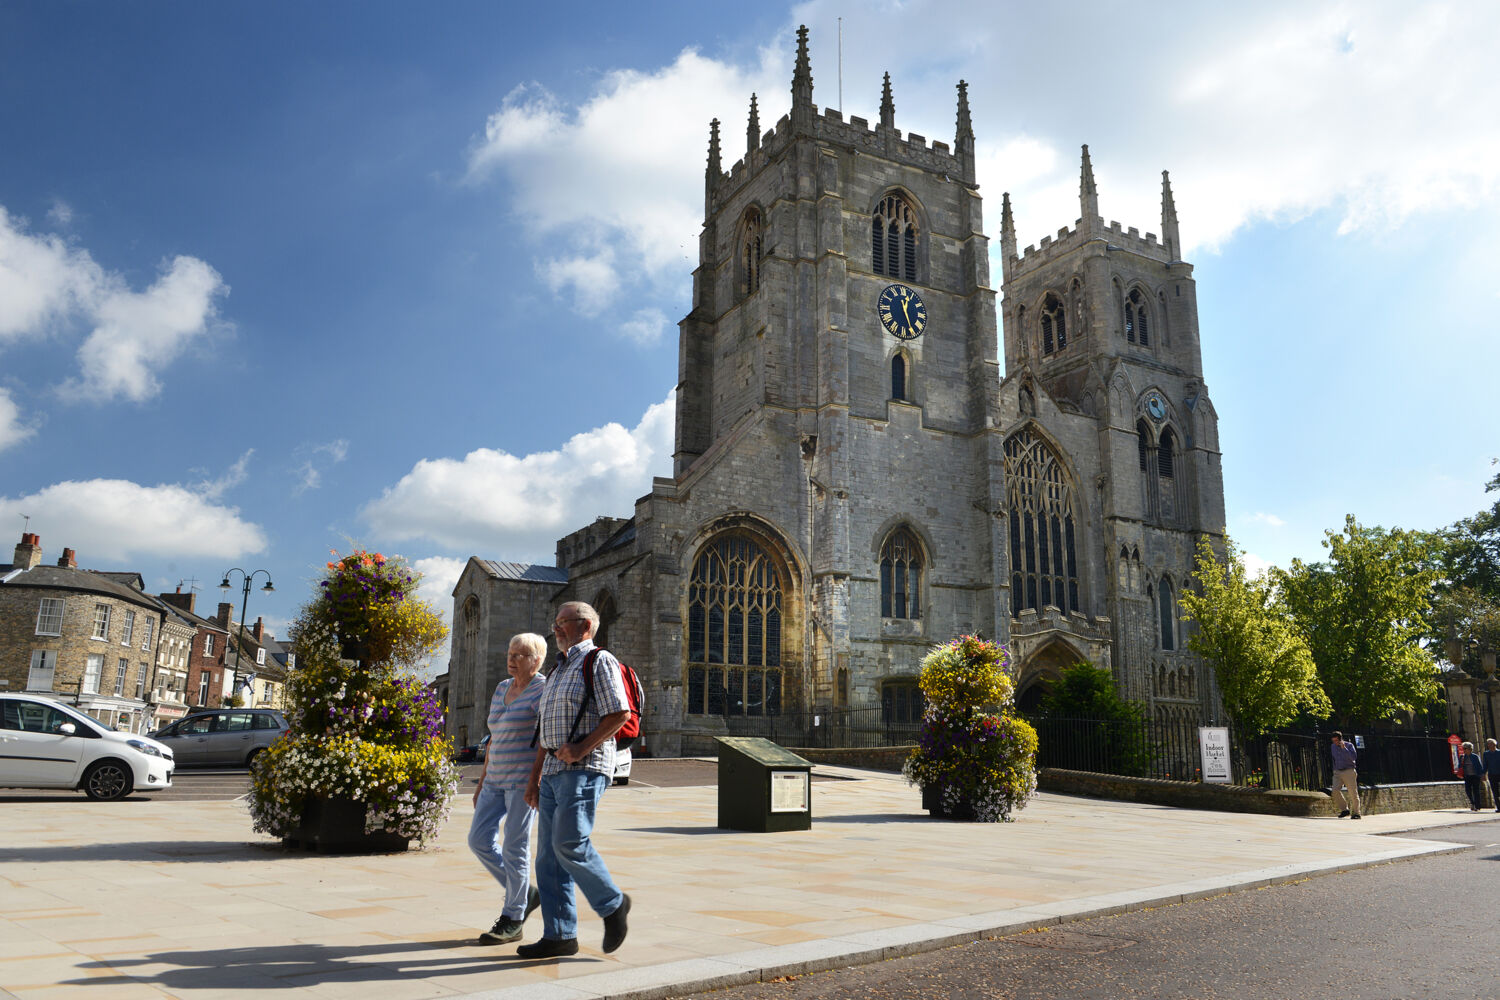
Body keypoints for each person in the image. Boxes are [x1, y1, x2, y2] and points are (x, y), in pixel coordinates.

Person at [518, 601, 632, 959]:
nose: (555, 628)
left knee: (569, 843)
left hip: (584, 767)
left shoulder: (599, 660)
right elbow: (545, 732)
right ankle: (560, 935)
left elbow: (619, 712)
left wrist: (582, 747)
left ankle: (613, 904)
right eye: (555, 622)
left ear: (584, 625)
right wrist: (534, 779)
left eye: (562, 622)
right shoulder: (556, 670)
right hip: (552, 772)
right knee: (548, 859)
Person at [467, 633, 549, 944]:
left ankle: (513, 917)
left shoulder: (542, 689)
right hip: (494, 780)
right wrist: (482, 780)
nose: (511, 660)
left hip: (521, 782)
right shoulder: (502, 687)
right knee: (478, 840)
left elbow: (545, 740)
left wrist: (535, 781)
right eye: (510, 654)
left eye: (519, 655)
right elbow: (494, 738)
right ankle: (525, 893)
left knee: (515, 848)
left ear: (536, 660)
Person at [1329, 731, 1361, 820]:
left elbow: (1353, 758)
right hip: (1337, 771)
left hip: (1349, 771)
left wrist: (1344, 749)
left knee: (1353, 793)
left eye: (1336, 740)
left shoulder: (1349, 745)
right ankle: (1345, 810)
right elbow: (1334, 759)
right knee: (1335, 790)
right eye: (1333, 741)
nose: (1335, 742)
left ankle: (1356, 813)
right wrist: (1334, 769)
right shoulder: (1332, 746)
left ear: (1341, 739)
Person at [1458, 741, 1486, 812]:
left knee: (1476, 791)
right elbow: (1460, 766)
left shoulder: (1475, 757)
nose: (1464, 750)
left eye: (1465, 748)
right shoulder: (1462, 757)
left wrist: (1482, 775)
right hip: (1467, 776)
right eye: (1463, 748)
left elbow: (1479, 766)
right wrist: (1460, 773)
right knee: (1468, 790)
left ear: (1470, 749)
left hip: (1475, 776)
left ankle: (1477, 806)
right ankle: (1472, 803)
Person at [1484, 738, 1500, 813]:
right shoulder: (1486, 754)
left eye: (1490, 744)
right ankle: (1499, 807)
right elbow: (1485, 765)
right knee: (1495, 791)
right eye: (1488, 744)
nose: (1489, 745)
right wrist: (1483, 774)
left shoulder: (1499, 753)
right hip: (1492, 774)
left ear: (1494, 744)